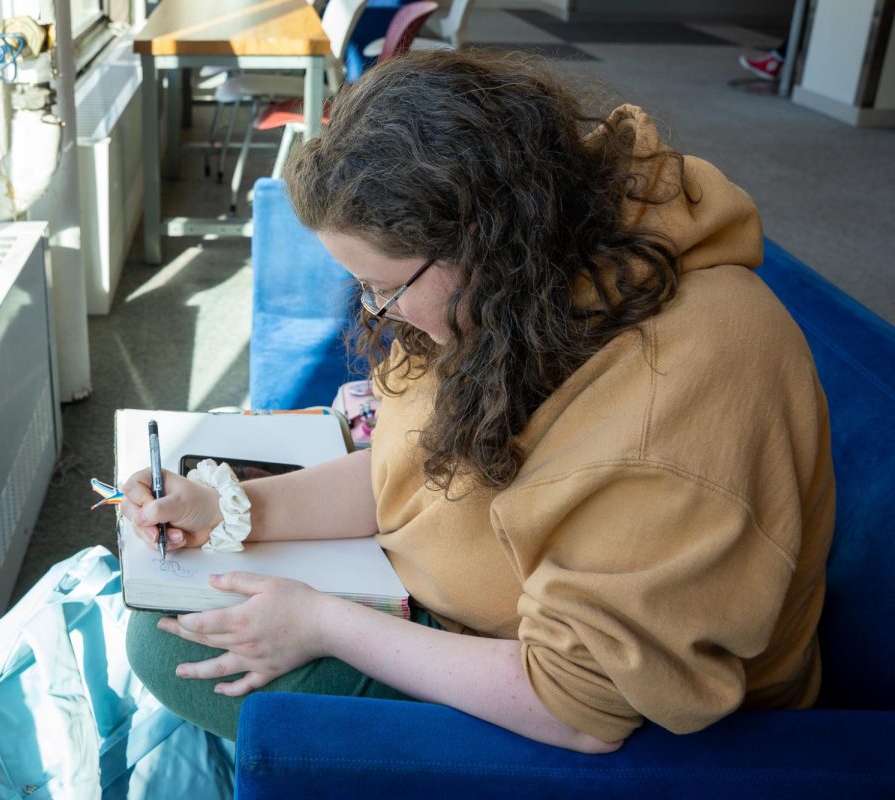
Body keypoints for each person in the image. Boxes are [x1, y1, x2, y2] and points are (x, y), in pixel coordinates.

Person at [120, 49, 834, 754]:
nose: (381, 312)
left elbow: (582, 709)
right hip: (487, 624)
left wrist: (324, 626)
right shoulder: (530, 280)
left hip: (592, 720)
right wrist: (230, 511)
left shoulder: (672, 398)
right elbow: (417, 469)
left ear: (480, 237)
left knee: (167, 646)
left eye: (385, 287)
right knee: (173, 615)